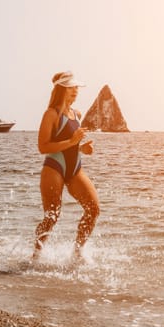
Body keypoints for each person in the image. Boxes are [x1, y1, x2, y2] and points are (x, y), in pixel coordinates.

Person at [32, 71, 100, 262]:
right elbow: (43, 147)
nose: (76, 91)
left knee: (93, 209)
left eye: (77, 88)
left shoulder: (77, 114)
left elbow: (72, 145)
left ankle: (77, 253)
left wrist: (82, 148)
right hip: (54, 167)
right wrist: (73, 141)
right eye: (72, 87)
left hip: (74, 168)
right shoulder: (51, 114)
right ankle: (36, 256)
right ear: (61, 89)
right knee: (52, 217)